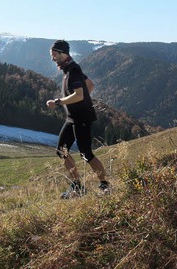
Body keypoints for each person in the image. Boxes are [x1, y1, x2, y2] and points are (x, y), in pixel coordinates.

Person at [46, 40, 109, 199]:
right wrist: (82, 102)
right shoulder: (68, 68)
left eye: (54, 55)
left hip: (81, 118)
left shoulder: (73, 70)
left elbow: (79, 94)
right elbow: (90, 85)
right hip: (73, 117)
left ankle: (105, 185)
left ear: (62, 53)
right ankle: (77, 187)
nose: (53, 58)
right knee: (62, 150)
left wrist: (58, 102)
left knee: (86, 153)